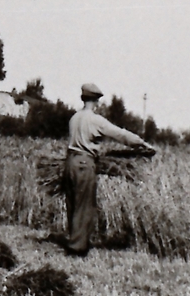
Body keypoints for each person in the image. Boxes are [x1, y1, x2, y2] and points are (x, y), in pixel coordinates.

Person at [64, 82, 154, 255]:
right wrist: (141, 143)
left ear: (83, 98)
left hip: (69, 163)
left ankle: (73, 240)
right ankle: (77, 249)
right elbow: (119, 134)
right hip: (85, 163)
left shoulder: (74, 118)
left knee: (73, 203)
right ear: (96, 100)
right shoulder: (95, 120)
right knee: (85, 206)